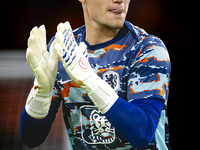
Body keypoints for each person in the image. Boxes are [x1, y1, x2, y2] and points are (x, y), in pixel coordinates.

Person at [20, 0, 171, 149]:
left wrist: (90, 80)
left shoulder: (148, 50)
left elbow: (142, 134)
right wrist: (41, 94)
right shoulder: (64, 48)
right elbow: (31, 139)